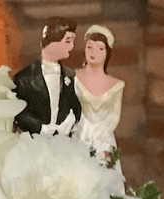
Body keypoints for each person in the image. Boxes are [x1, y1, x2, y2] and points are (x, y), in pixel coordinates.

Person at [12, 18, 83, 136]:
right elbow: (19, 112)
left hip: (63, 143)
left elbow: (75, 106)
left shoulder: (70, 76)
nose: (71, 47)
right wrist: (41, 128)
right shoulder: (24, 78)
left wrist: (69, 121)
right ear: (52, 41)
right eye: (68, 41)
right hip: (34, 143)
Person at [75, 25, 124, 167]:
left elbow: (113, 118)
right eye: (89, 47)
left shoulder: (116, 86)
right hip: (78, 139)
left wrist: (99, 141)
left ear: (107, 52)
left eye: (100, 48)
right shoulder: (73, 79)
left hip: (103, 143)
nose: (93, 52)